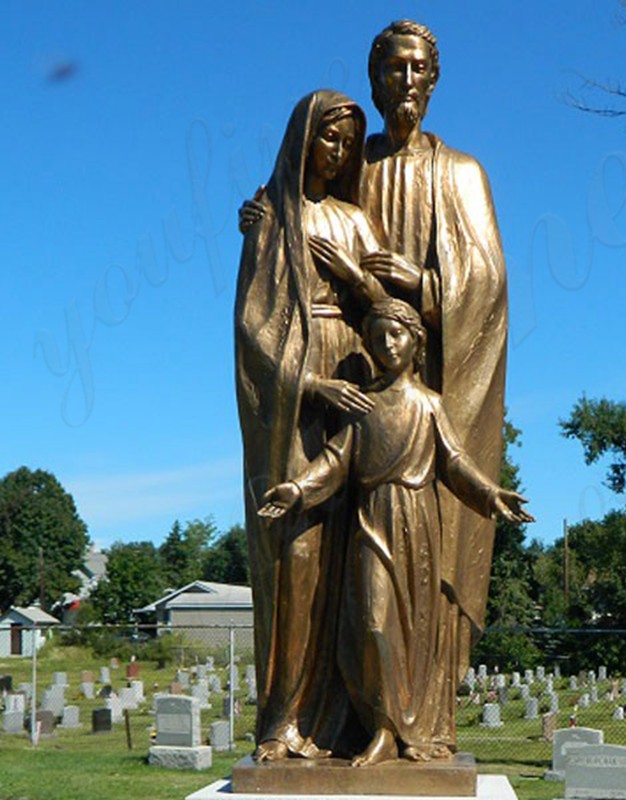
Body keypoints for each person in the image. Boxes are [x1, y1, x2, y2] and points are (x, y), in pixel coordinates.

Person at [259, 298, 532, 767]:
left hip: (418, 526)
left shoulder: (428, 405)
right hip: (371, 522)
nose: (387, 344)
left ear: (415, 340)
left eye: (397, 334)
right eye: (378, 336)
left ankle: (395, 731)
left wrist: (490, 495)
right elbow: (334, 463)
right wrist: (296, 490)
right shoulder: (362, 408)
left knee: (409, 632)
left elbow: (455, 462)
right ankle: (382, 725)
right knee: (372, 623)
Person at [358, 20, 509, 752]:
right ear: (375, 78)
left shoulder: (463, 174)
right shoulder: (350, 166)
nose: (408, 82)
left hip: (430, 407)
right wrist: (262, 220)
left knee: (424, 573)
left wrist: (423, 287)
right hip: (351, 400)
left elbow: (490, 283)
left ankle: (422, 724)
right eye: (395, 69)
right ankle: (354, 721)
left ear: (435, 78)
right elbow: (302, 213)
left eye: (419, 69)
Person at [235, 90, 390, 762]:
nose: (340, 151)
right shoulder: (272, 216)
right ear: (303, 137)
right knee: (296, 555)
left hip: (355, 377)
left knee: (345, 558)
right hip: (299, 388)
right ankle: (281, 720)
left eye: (349, 141)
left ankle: (343, 720)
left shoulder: (357, 222)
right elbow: (251, 325)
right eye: (329, 136)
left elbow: (393, 310)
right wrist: (309, 384)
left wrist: (356, 278)